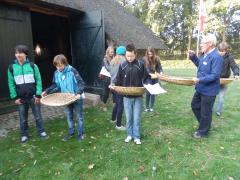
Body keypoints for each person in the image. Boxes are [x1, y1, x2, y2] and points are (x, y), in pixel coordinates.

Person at [8, 44, 47, 143]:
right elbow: (11, 83)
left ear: (25, 54)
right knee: (23, 119)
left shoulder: (33, 66)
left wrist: (38, 95)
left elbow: (38, 81)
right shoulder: (12, 68)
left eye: (20, 52)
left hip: (34, 97)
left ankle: (41, 131)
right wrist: (15, 97)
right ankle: (24, 134)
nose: (17, 55)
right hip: (21, 98)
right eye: (16, 53)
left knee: (38, 116)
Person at [42, 54, 85, 142]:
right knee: (69, 117)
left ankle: (80, 134)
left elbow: (81, 83)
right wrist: (47, 91)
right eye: (56, 66)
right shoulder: (56, 73)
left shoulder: (72, 71)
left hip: (76, 98)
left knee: (79, 117)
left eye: (60, 65)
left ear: (65, 63)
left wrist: (78, 93)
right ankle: (71, 132)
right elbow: (56, 85)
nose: (58, 67)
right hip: (65, 99)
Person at [188, 34, 223, 138]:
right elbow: (201, 64)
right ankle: (205, 124)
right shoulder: (204, 55)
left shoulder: (217, 57)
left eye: (203, 43)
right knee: (194, 105)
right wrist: (194, 57)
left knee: (205, 112)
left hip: (209, 90)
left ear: (210, 44)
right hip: (200, 88)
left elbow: (215, 76)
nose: (201, 44)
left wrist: (199, 79)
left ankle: (203, 132)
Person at [113, 44, 149, 145]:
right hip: (126, 97)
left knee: (136, 118)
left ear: (135, 54)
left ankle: (137, 137)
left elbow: (146, 78)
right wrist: (113, 85)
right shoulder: (122, 65)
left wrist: (149, 85)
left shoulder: (140, 65)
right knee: (129, 118)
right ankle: (129, 135)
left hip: (137, 97)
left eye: (131, 56)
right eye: (127, 56)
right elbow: (118, 79)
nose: (129, 58)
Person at [215, 42, 239, 116]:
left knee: (221, 97)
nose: (222, 52)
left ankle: (218, 111)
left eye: (223, 51)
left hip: (224, 81)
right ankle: (208, 109)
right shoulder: (214, 56)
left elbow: (234, 66)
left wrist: (236, 74)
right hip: (214, 80)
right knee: (211, 96)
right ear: (218, 50)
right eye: (220, 50)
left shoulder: (229, 57)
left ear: (226, 50)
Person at [109, 46, 126, 130]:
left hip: (112, 86)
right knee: (121, 105)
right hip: (119, 86)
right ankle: (118, 125)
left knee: (117, 103)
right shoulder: (124, 61)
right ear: (124, 53)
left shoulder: (112, 60)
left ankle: (113, 119)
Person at [143, 47, 163, 112]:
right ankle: (147, 107)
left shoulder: (156, 59)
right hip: (147, 78)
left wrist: (160, 73)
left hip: (155, 78)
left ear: (153, 53)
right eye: (149, 54)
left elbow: (160, 67)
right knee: (148, 92)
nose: (150, 55)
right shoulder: (144, 59)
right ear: (147, 54)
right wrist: (148, 74)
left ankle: (152, 107)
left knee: (153, 93)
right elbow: (144, 69)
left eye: (151, 54)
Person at [99, 46, 115, 111]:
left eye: (113, 52)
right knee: (106, 92)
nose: (112, 53)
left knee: (114, 91)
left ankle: (115, 104)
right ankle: (103, 105)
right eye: (111, 52)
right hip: (106, 77)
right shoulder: (105, 59)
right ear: (108, 52)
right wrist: (114, 69)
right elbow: (108, 68)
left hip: (113, 77)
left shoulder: (114, 58)